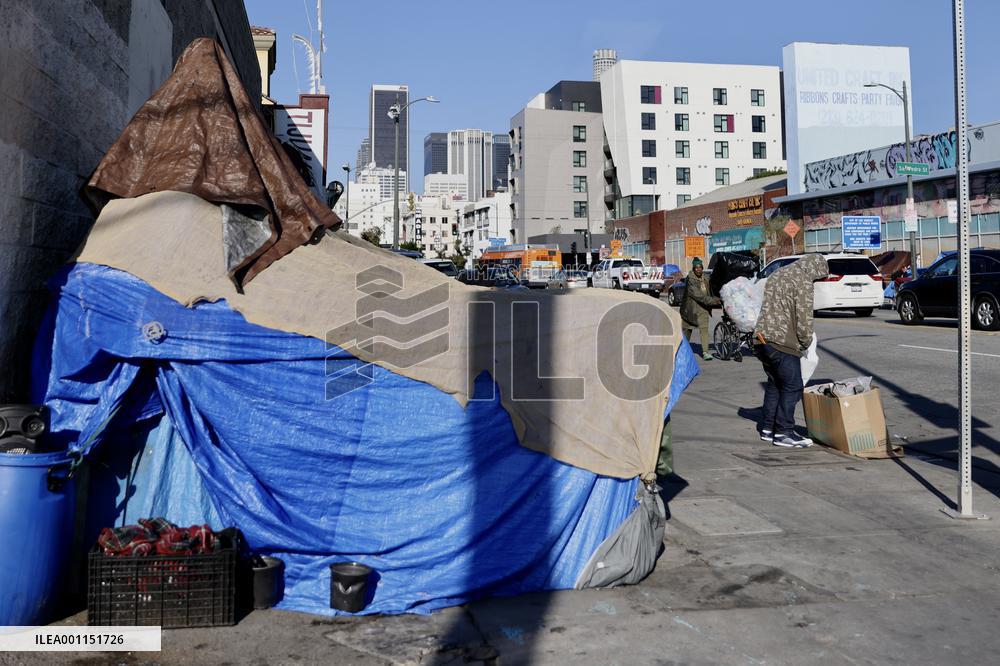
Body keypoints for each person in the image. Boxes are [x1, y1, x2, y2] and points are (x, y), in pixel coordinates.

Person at [752, 254, 829, 448]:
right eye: (819, 277)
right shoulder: (803, 281)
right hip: (782, 341)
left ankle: (768, 429)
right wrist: (806, 343)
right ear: (815, 269)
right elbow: (804, 319)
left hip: (761, 338)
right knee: (793, 386)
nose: (817, 281)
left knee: (775, 384)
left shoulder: (778, 274)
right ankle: (784, 432)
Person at [680, 257, 721, 360]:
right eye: (696, 268)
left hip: (703, 309)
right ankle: (682, 350)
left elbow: (713, 285)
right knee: (687, 331)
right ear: (693, 268)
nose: (698, 269)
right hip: (690, 310)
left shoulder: (706, 277)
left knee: (704, 330)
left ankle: (705, 352)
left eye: (700, 267)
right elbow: (699, 296)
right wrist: (714, 301)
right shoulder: (690, 280)